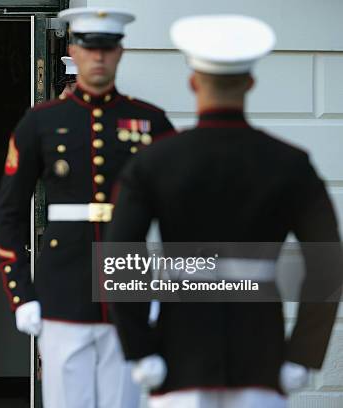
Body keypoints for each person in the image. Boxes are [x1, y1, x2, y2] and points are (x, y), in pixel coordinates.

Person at [107, 15, 341, 408]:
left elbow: (120, 255)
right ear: (250, 83)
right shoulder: (289, 163)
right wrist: (302, 353)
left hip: (177, 356)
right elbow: (327, 263)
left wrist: (139, 348)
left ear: (193, 82)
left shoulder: (154, 161)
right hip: (260, 358)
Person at [0, 7, 176, 408]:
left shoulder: (150, 122)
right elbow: (7, 211)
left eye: (107, 49)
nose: (98, 57)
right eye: (89, 48)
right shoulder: (41, 122)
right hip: (63, 286)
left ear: (120, 53)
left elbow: (176, 215)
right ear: (74, 51)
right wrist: (21, 293)